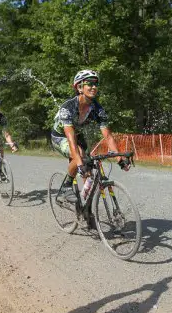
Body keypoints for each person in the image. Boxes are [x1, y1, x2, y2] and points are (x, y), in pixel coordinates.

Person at [50, 70, 130, 213]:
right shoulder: (68, 107)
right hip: (60, 137)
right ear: (79, 87)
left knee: (89, 175)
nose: (94, 87)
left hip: (78, 137)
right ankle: (66, 186)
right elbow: (70, 138)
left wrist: (119, 158)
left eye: (96, 84)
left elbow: (108, 136)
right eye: (90, 84)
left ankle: (86, 209)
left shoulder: (97, 109)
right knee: (79, 157)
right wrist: (80, 163)